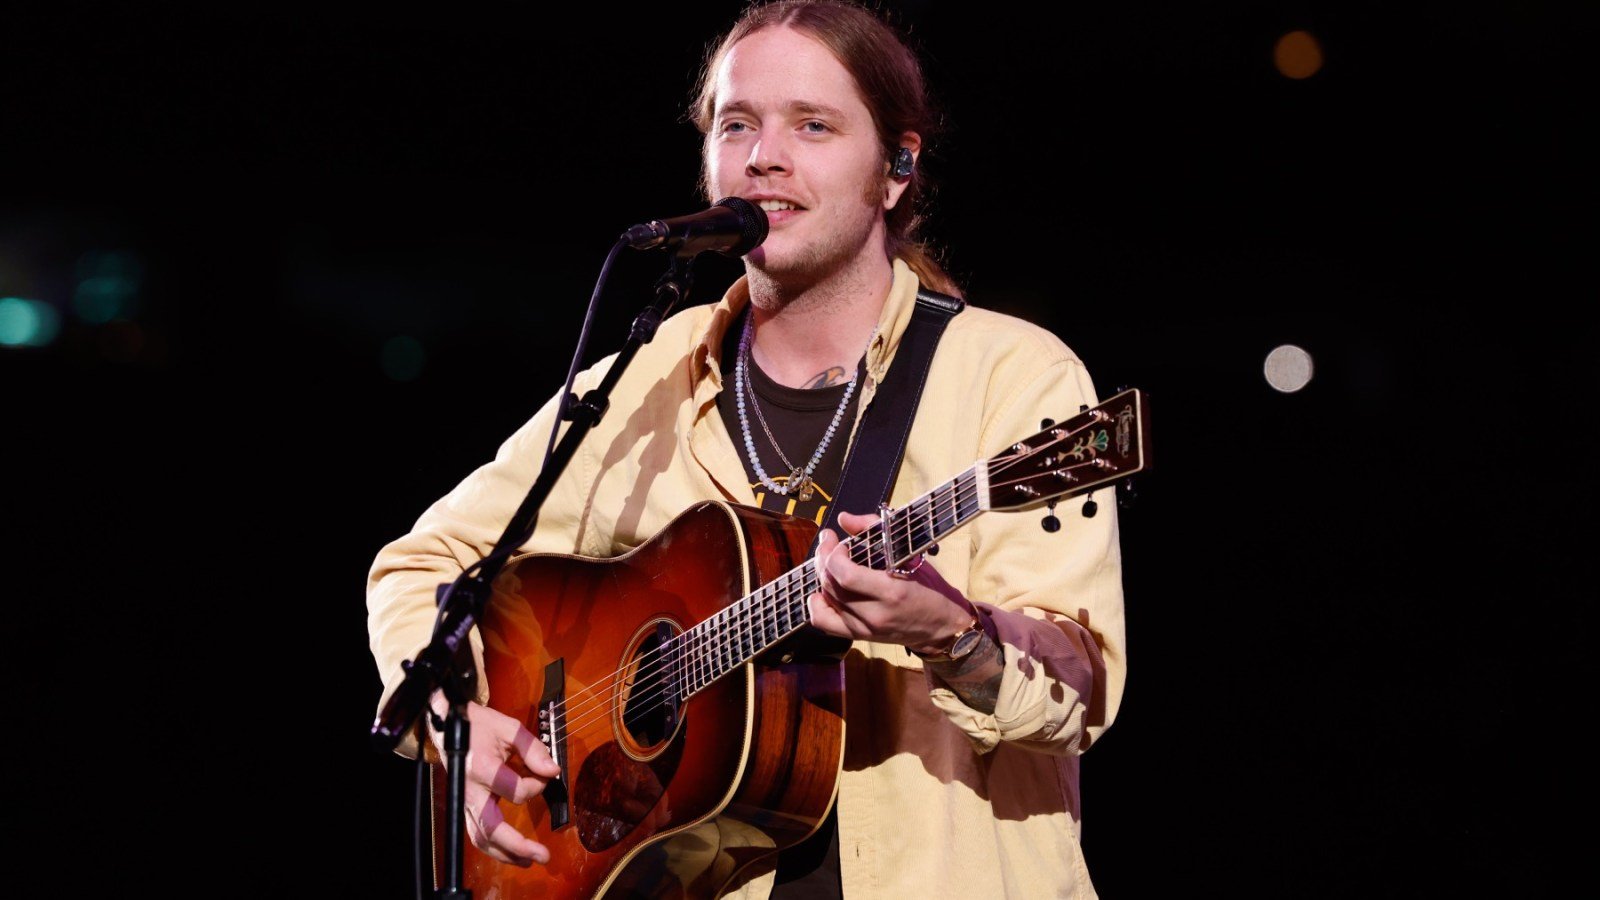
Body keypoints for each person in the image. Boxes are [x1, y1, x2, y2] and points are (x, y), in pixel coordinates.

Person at [366, 1, 1127, 897]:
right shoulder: (649, 377)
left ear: (896, 169)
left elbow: (1080, 692)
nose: (765, 154)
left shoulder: (1013, 377)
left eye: (813, 124)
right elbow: (426, 565)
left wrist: (952, 632)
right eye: (738, 124)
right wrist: (462, 726)